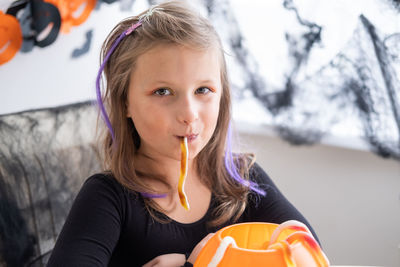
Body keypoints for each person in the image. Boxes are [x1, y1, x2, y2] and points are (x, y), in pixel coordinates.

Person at [47, 1, 319, 266]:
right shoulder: (107, 198)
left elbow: (309, 255)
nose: (189, 113)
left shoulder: (243, 178)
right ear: (125, 102)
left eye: (203, 90)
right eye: (163, 92)